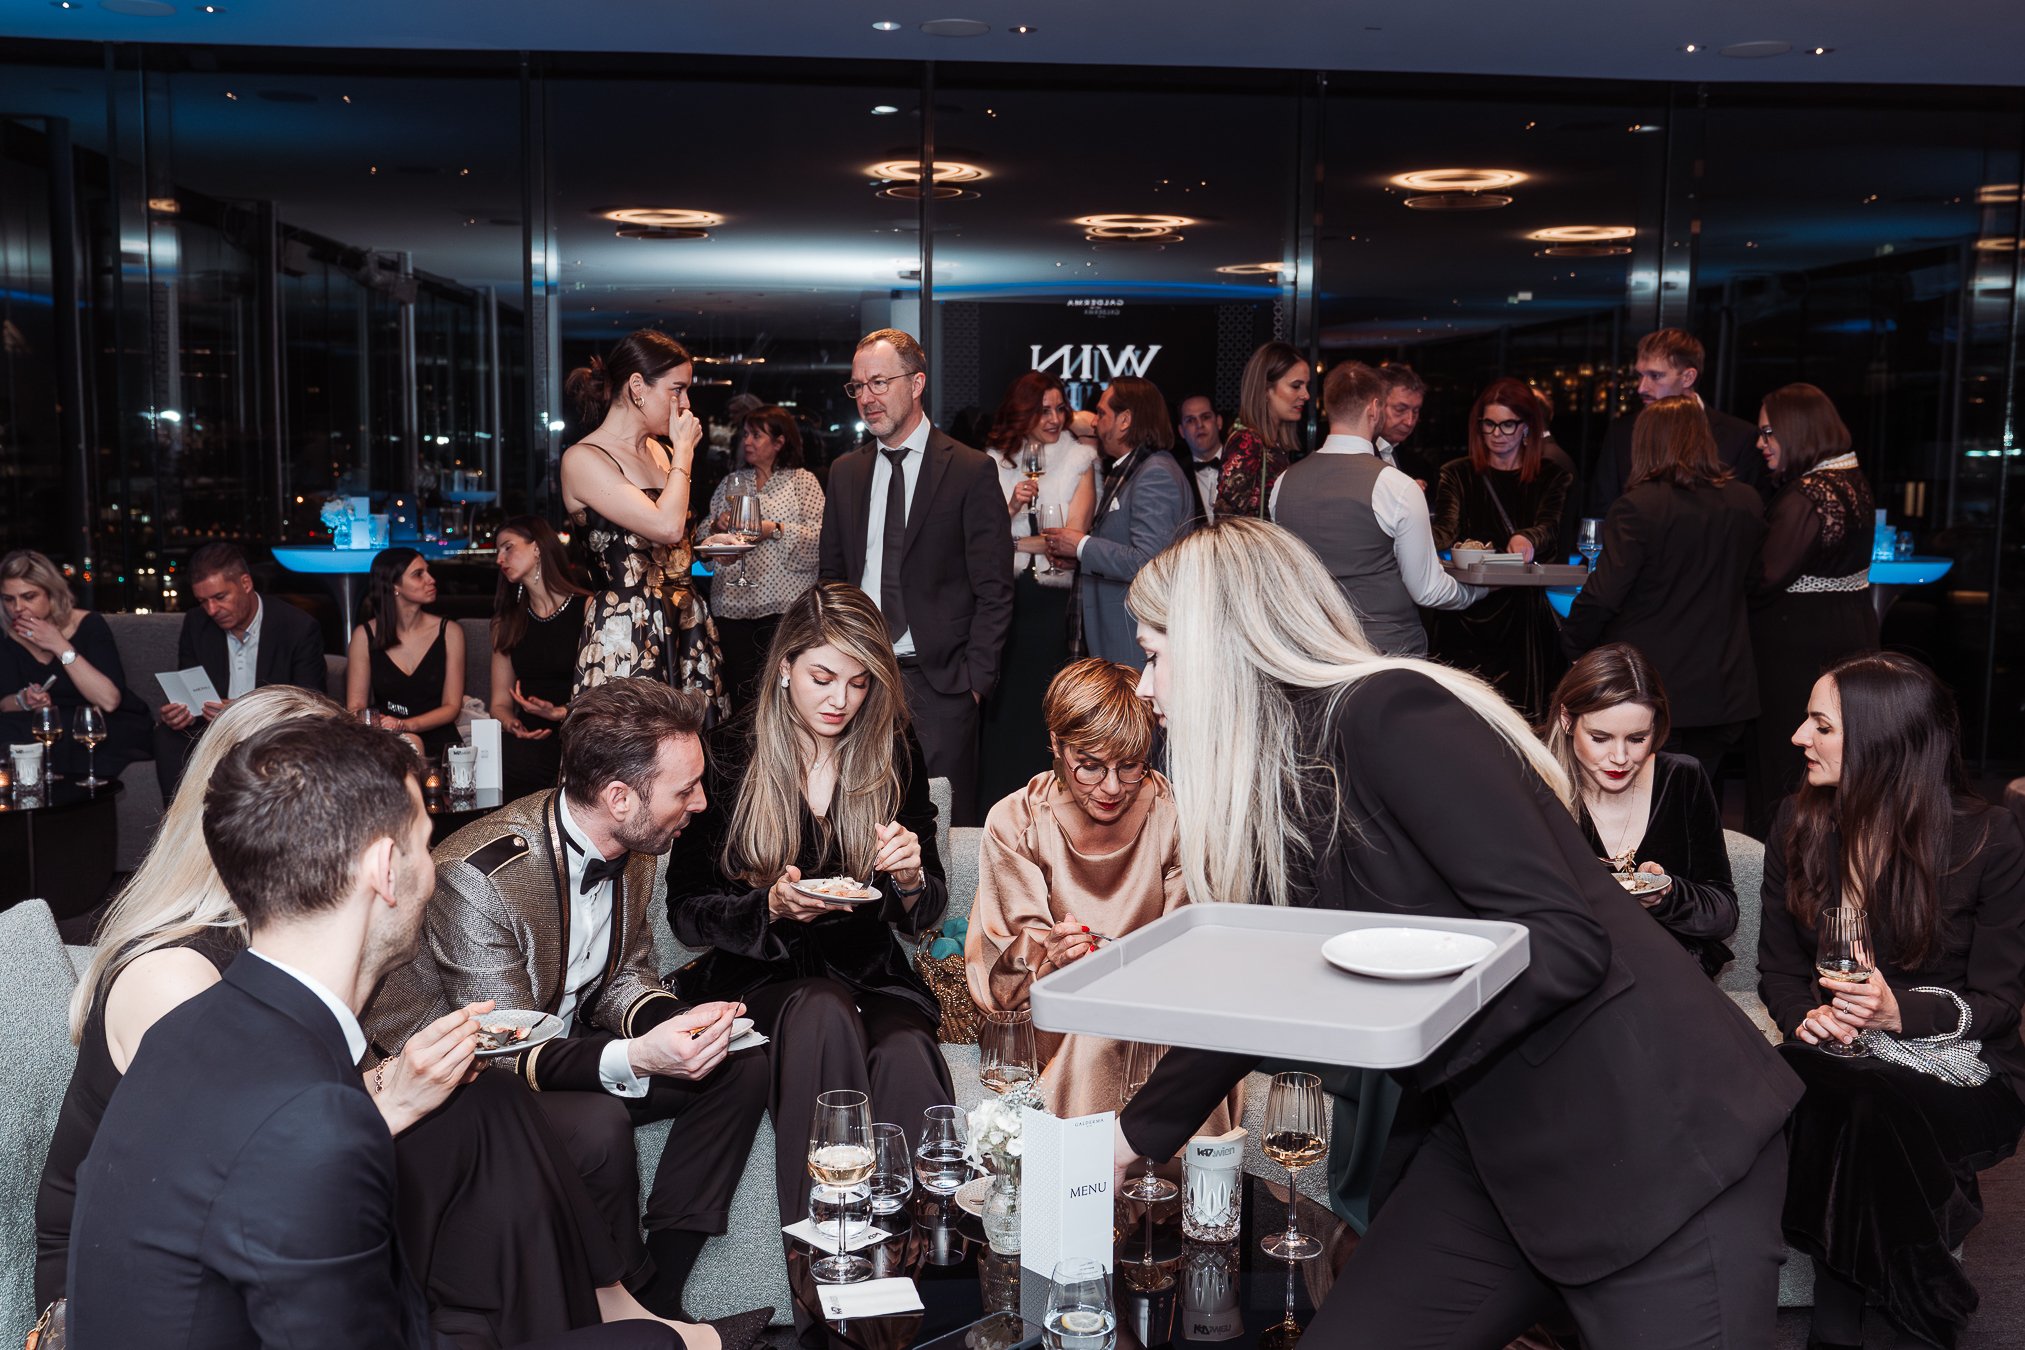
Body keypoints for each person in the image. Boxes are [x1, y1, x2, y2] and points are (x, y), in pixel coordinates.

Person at [1114, 518, 1800, 1349]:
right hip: (1494, 1147)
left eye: (1153, 653)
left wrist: (1386, 1033)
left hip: (1657, 1144)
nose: (1146, 691)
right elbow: (1257, 984)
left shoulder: (1387, 715)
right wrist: (1130, 1136)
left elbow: (1563, 942)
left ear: (1221, 644)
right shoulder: (1283, 787)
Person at [40, 687, 754, 1349]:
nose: (438, 869)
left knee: (491, 1107)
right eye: (423, 844)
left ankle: (586, 1314)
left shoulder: (246, 1012)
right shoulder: (214, 1020)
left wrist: (396, 1089)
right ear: (383, 868)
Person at [364, 678, 771, 1321]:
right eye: (684, 788)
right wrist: (637, 1058)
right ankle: (621, 1312)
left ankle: (658, 1294)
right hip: (469, 1078)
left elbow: (623, 977)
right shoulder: (478, 874)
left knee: (741, 1063)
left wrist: (677, 1023)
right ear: (618, 797)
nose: (699, 802)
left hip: (567, 1050)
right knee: (598, 1126)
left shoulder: (638, 843)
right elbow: (499, 1045)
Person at [665, 582, 953, 1229]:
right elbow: (685, 911)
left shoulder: (889, 747)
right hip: (763, 979)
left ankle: (920, 1267)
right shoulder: (730, 753)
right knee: (820, 1013)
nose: (840, 700)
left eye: (858, 683)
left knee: (906, 1052)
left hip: (871, 973)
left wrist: (908, 876)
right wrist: (767, 908)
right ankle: (827, 1264)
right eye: (823, 677)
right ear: (787, 664)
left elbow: (924, 907)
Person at [1758, 653, 2025, 1350]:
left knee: (1857, 1106)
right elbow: (1779, 971)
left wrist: (1898, 1012)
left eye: (1819, 724)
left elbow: (2000, 1002)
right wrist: (1803, 1016)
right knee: (1850, 1098)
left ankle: (1837, 1328)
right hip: (1837, 1059)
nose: (1796, 737)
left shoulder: (1986, 837)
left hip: (1962, 1067)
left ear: (1878, 741)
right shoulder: (1796, 821)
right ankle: (1920, 1304)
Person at [967, 658, 1240, 1130]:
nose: (1112, 787)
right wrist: (1045, 953)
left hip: (1158, 1011)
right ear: (1056, 744)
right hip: (1053, 1014)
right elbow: (1002, 989)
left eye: (1130, 766)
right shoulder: (1016, 822)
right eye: (1089, 767)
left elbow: (1193, 958)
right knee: (1098, 1031)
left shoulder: (1177, 818)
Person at [816, 327, 1014, 827]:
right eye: (858, 386)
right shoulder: (845, 472)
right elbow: (833, 577)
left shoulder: (970, 470)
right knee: (855, 816)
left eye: (879, 382)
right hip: (857, 676)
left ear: (917, 382)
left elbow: (995, 587)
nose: (867, 397)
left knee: (940, 826)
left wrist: (975, 683)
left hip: (942, 683)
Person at [1562, 394, 1767, 785]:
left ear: (1646, 442)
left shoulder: (1638, 507)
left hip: (1653, 688)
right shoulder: (1746, 501)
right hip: (1724, 686)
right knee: (1701, 804)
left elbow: (1603, 594)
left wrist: (1574, 648)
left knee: (1648, 809)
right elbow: (1754, 581)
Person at [1542, 643, 1738, 977]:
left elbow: (1723, 914)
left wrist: (1667, 895)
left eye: (1637, 738)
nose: (1619, 757)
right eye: (1600, 738)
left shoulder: (1682, 778)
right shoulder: (1538, 787)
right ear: (1567, 720)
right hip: (1575, 972)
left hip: (1671, 972)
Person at [562, 330, 726, 720]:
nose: (685, 404)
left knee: (693, 754)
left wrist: (708, 548)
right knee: (630, 754)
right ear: (637, 386)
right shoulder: (583, 458)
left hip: (684, 619)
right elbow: (665, 526)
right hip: (627, 625)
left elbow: (673, 542)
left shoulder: (660, 451)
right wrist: (684, 453)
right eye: (677, 390)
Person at [1270, 360, 1483, 656]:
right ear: (1374, 408)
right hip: (1384, 653)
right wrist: (1480, 588)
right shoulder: (1397, 486)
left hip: (1311, 650)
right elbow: (1428, 590)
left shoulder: (1282, 483)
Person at [1744, 383, 1878, 839]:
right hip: (1851, 626)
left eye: (1768, 433)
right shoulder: (1853, 480)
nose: (1761, 444)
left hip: (1798, 642)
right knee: (1839, 754)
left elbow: (1763, 576)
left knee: (1791, 757)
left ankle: (1779, 868)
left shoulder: (1808, 493)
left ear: (1796, 430)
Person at [978, 372, 1097, 811]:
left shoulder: (1080, 457)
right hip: (1006, 601)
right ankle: (998, 810)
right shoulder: (992, 463)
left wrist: (1017, 541)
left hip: (1053, 600)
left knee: (1048, 704)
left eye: (1059, 408)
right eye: (1043, 409)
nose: (1053, 418)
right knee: (1005, 706)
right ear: (1023, 411)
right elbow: (980, 539)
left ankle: (1052, 808)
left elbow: (1072, 536)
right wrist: (1010, 509)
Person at [1429, 379, 1573, 719]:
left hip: (1522, 618)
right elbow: (1445, 530)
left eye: (1507, 424)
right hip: (1466, 614)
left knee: (1522, 721)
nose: (1497, 433)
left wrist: (1528, 538)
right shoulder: (1458, 474)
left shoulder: (1552, 476)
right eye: (1489, 424)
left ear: (1527, 427)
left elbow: (1551, 527)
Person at [149, 541, 327, 796]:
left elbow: (311, 706)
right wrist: (181, 712)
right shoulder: (196, 623)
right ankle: (181, 827)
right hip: (213, 730)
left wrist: (243, 711)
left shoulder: (298, 627)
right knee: (167, 735)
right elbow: (191, 685)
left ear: (245, 583)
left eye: (220, 597)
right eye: (203, 601)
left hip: (270, 730)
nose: (211, 610)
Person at [1043, 377, 1192, 670]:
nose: (1095, 423)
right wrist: (1080, 559)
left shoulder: (1155, 474)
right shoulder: (1131, 469)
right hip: (1118, 639)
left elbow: (1149, 562)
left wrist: (1082, 545)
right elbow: (1123, 547)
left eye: (1101, 414)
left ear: (1124, 421)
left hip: (1132, 644)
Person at [694, 405, 826, 710]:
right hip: (732, 606)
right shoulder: (732, 482)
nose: (747, 442)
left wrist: (774, 529)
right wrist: (717, 526)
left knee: (784, 697)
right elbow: (703, 539)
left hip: (784, 607)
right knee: (742, 697)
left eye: (756, 435)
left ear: (779, 442)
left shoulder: (802, 482)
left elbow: (821, 538)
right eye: (745, 435)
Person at [1, 548, 151, 781]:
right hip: (43, 724)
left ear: (52, 594)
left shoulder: (89, 624)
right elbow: (4, 703)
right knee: (17, 729)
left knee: (70, 728)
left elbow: (109, 700)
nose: (17, 608)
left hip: (99, 719)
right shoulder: (8, 637)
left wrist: (59, 645)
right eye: (9, 599)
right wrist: (24, 700)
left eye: (29, 597)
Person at [1588, 328, 1762, 513]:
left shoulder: (1740, 437)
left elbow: (1747, 519)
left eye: (1655, 376)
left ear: (1688, 377)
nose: (1641, 388)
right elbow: (1602, 514)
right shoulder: (1621, 432)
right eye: (1640, 375)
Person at [491, 517, 591, 800]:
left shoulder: (586, 608)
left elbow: (604, 691)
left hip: (577, 725)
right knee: (509, 759)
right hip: (527, 733)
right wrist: (513, 724)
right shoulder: (507, 622)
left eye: (507, 548)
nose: (500, 559)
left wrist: (560, 712)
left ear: (537, 548)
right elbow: (498, 703)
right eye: (497, 552)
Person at [346, 546, 465, 759]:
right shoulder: (364, 636)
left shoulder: (450, 631)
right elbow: (356, 707)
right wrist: (380, 724)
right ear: (394, 586)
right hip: (387, 739)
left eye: (428, 571)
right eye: (419, 574)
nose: (431, 579)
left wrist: (406, 725)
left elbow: (452, 707)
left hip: (440, 741)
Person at [1213, 341, 1309, 519]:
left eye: (1305, 386)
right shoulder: (1247, 441)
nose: (1306, 395)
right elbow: (1226, 522)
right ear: (1265, 389)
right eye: (1296, 386)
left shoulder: (1273, 444)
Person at [1375, 364, 1436, 490]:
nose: (1409, 421)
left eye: (1416, 411)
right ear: (1376, 406)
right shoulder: (1357, 455)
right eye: (1400, 409)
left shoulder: (1418, 464)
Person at [1173, 394, 1224, 522]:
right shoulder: (1175, 475)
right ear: (1181, 431)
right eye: (1190, 420)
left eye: (1205, 417)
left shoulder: (1245, 463)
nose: (1199, 425)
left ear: (1219, 422)